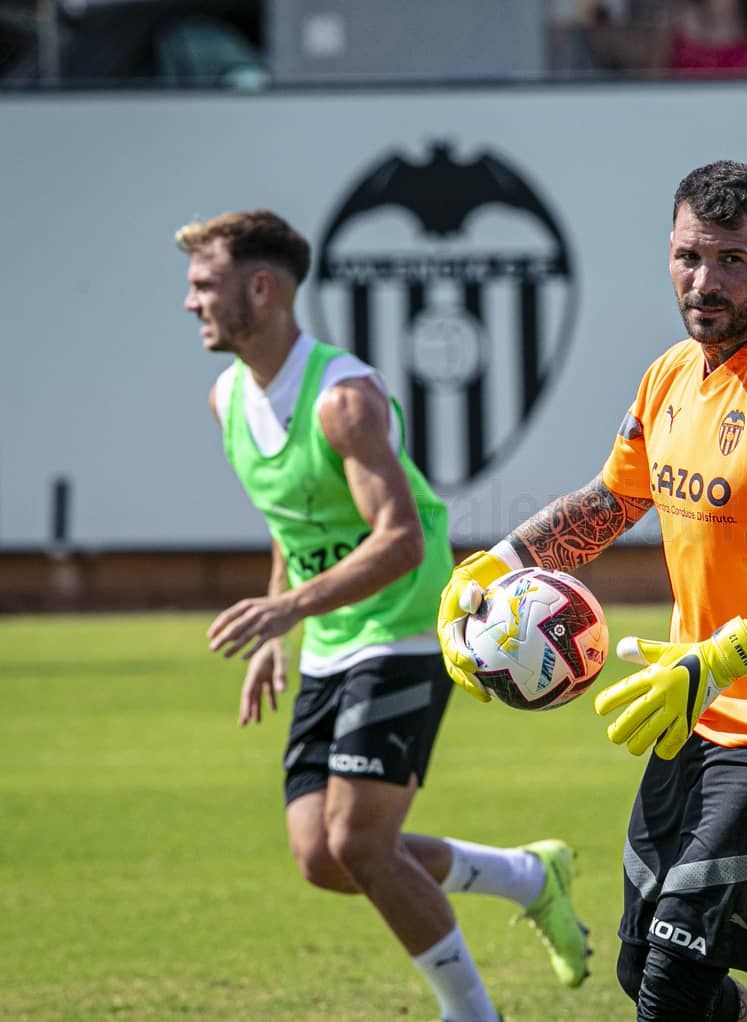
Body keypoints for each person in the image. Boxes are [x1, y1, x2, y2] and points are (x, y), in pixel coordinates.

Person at [436, 163, 747, 1021]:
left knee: (672, 984)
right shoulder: (670, 377)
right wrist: (494, 564)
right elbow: (612, 501)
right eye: (690, 257)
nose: (704, 282)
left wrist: (725, 656)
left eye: (732, 260)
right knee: (642, 965)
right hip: (695, 709)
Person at [177, 210, 590, 1022]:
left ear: (260, 289)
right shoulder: (228, 398)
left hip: (404, 625)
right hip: (332, 635)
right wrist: (283, 626)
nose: (191, 302)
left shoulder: (344, 400)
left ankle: (473, 1015)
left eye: (204, 285)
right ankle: (527, 876)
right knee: (321, 857)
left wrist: (286, 606)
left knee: (360, 843)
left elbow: (401, 541)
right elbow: (291, 520)